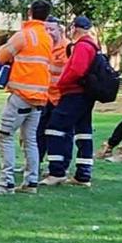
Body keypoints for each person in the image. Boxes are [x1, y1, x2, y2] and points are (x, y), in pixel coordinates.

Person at [0, 0, 53, 196]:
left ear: (29, 12)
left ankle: (6, 183)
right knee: (30, 139)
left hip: (21, 95)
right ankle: (31, 181)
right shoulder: (47, 38)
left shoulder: (23, 36)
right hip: (39, 97)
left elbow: (0, 58)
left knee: (5, 136)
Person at [41, 16, 99, 188]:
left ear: (75, 28)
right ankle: (83, 174)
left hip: (74, 93)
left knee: (54, 128)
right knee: (83, 132)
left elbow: (77, 70)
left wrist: (62, 83)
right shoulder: (93, 45)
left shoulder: (82, 46)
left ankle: (57, 171)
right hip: (85, 95)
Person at [34, 17, 68, 164]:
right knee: (39, 132)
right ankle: (36, 162)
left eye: (52, 29)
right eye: (45, 29)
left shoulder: (67, 48)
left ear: (60, 31)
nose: (48, 32)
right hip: (44, 96)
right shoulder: (42, 47)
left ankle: (61, 165)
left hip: (61, 97)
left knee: (61, 133)